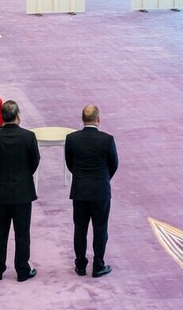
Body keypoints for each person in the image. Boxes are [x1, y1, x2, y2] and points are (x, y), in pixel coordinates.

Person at [0, 100, 40, 282]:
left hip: (0, 190)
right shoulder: (28, 136)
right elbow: (34, 161)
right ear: (18, 116)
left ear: (2, 116)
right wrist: (23, 174)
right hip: (22, 191)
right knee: (22, 233)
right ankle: (22, 270)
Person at [65, 105, 119, 278]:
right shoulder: (107, 140)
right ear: (98, 119)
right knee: (100, 228)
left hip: (80, 190)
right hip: (100, 191)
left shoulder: (72, 139)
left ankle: (80, 265)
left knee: (80, 228)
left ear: (82, 119)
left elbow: (70, 163)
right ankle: (98, 265)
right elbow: (114, 164)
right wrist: (104, 179)